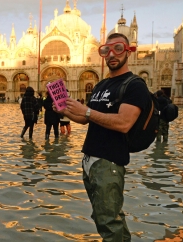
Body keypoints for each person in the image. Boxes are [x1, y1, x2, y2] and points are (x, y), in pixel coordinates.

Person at [54, 33, 150, 241]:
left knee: (109, 221)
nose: (111, 54)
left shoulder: (134, 85)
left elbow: (124, 123)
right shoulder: (101, 85)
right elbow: (86, 120)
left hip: (110, 162)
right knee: (104, 217)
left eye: (118, 48)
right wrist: (65, 110)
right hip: (90, 160)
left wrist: (86, 111)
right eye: (106, 50)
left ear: (129, 51)